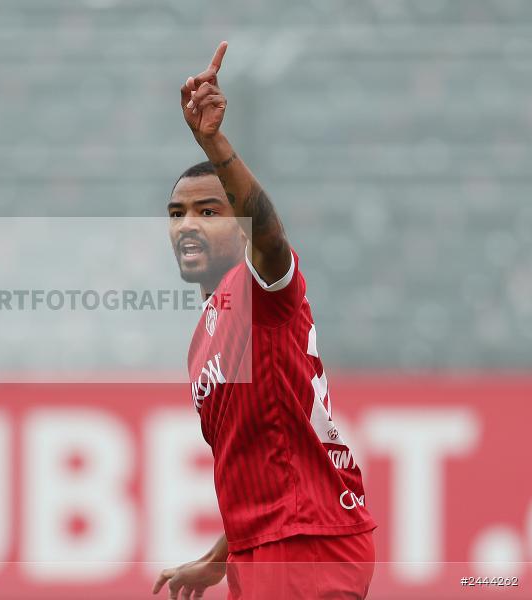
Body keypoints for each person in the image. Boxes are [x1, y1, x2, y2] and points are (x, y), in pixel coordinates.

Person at [152, 42, 376, 600]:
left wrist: (212, 142)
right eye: (177, 214)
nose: (188, 225)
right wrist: (216, 557)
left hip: (305, 540)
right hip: (261, 549)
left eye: (210, 212)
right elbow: (260, 456)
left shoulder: (260, 288)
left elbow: (271, 236)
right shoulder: (206, 334)